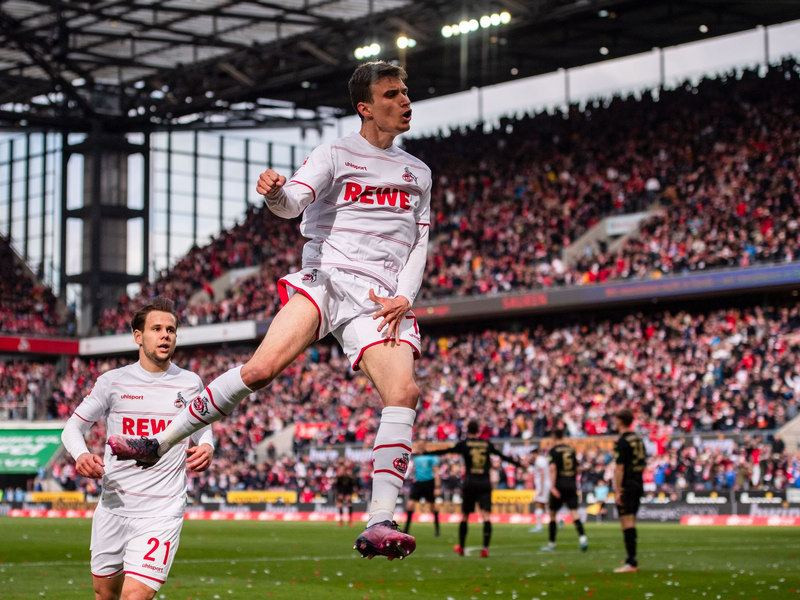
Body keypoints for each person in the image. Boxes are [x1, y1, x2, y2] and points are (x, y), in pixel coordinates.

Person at [107, 60, 431, 562]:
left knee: (405, 392)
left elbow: (420, 242)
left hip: (381, 299)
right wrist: (276, 192)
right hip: (326, 280)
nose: (405, 101)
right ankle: (158, 443)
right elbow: (292, 205)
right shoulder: (335, 153)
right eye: (392, 94)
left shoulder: (419, 172)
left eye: (405, 92)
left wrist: (406, 296)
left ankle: (380, 521)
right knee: (258, 370)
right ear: (365, 108)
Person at [61, 297, 214, 600]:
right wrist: (80, 455)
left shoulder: (190, 383)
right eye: (156, 328)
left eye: (170, 329)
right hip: (114, 507)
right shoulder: (112, 382)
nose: (165, 335)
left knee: (134, 597)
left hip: (162, 511)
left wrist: (207, 446)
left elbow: (203, 425)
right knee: (105, 594)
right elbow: (72, 428)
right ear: (138, 336)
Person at [425, 420, 522, 557]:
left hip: (470, 483)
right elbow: (502, 456)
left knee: (465, 516)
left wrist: (426, 452)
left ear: (468, 431)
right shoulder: (486, 444)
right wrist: (518, 464)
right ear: (478, 431)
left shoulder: (464, 444)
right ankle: (485, 549)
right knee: (486, 516)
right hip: (485, 483)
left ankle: (462, 547)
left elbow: (446, 450)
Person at [541, 428, 588, 552]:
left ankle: (551, 544)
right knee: (574, 513)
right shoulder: (571, 450)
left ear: (554, 436)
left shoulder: (554, 451)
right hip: (571, 484)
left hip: (559, 485)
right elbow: (578, 469)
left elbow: (552, 468)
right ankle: (583, 538)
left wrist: (552, 486)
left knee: (552, 514)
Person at [612, 408, 646, 573]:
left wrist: (618, 490)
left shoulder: (622, 441)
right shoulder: (638, 439)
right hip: (638, 482)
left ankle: (631, 561)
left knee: (627, 522)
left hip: (628, 483)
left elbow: (620, 468)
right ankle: (631, 558)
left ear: (620, 420)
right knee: (631, 520)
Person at [403, 447, 441, 537]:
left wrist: (437, 487)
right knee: (410, 505)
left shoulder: (431, 457)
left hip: (429, 483)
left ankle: (437, 530)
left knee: (433, 507)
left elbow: (436, 472)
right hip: (418, 483)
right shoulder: (416, 456)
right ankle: (406, 530)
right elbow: (405, 454)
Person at [529, 444, 551, 533]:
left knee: (538, 503)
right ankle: (558, 519)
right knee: (544, 504)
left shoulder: (539, 460)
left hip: (543, 485)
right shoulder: (542, 460)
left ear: (535, 453)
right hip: (544, 484)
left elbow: (542, 474)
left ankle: (539, 526)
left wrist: (541, 488)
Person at [334, 460, 358, 527]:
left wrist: (349, 494)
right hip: (341, 492)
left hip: (348, 492)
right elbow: (337, 486)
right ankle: (340, 520)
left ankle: (350, 520)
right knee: (340, 504)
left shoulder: (349, 477)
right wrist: (339, 494)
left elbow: (352, 485)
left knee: (349, 503)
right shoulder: (339, 477)